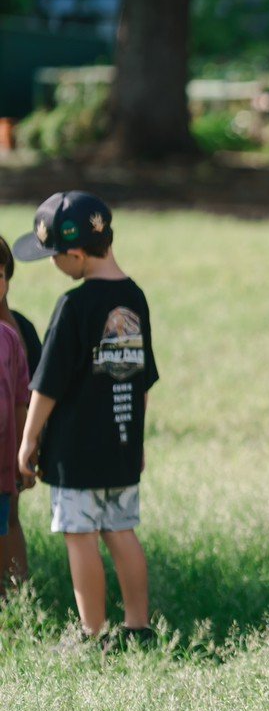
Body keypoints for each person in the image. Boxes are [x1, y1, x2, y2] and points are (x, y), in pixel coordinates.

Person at [14, 192, 158, 643]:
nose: (54, 265)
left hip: (74, 455)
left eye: (54, 256)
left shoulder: (73, 307)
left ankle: (90, 632)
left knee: (81, 538)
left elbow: (47, 385)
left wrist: (28, 440)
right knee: (121, 532)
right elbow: (142, 380)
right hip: (120, 445)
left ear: (75, 254)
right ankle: (138, 627)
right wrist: (135, 440)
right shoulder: (135, 298)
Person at [0, 234, 42, 591]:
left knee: (9, 518)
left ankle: (16, 597)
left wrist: (29, 449)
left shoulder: (18, 333)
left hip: (7, 454)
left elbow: (31, 398)